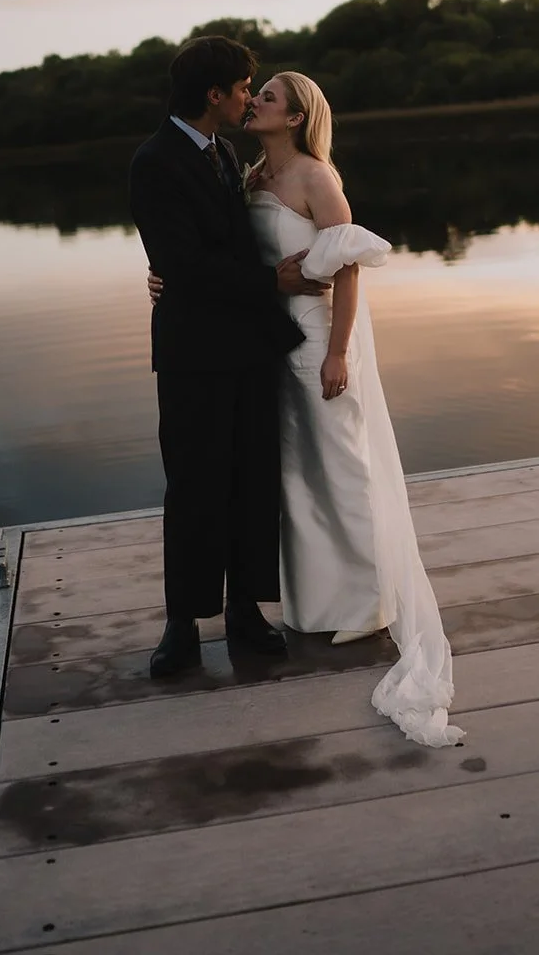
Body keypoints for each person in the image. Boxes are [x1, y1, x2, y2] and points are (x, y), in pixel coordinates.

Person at [149, 67, 463, 747]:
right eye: (251, 92)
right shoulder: (249, 171)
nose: (252, 100)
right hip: (264, 342)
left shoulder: (317, 178)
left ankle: (363, 600)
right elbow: (217, 251)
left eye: (265, 97)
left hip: (316, 337)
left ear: (294, 116)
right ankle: (312, 596)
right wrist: (169, 274)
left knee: (341, 463)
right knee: (292, 478)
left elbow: (345, 270)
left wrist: (339, 353)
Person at [128, 36, 328, 678]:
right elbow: (183, 263)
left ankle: (246, 609)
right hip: (192, 355)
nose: (249, 95)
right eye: (244, 87)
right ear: (213, 93)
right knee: (193, 486)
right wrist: (275, 284)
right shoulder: (154, 161)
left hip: (249, 346)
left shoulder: (226, 152)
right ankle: (182, 625)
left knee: (252, 480)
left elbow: (235, 248)